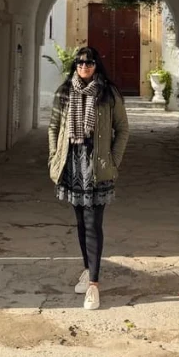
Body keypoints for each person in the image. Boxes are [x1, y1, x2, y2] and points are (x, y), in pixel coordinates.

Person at [48, 46, 129, 310]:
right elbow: (54, 127)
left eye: (90, 62)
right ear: (75, 65)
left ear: (97, 65)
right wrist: (53, 157)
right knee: (81, 224)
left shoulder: (108, 93)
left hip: (97, 168)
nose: (84, 67)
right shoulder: (64, 92)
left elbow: (122, 129)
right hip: (72, 166)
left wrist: (113, 161)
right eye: (80, 62)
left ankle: (94, 285)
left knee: (94, 224)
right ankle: (87, 269)